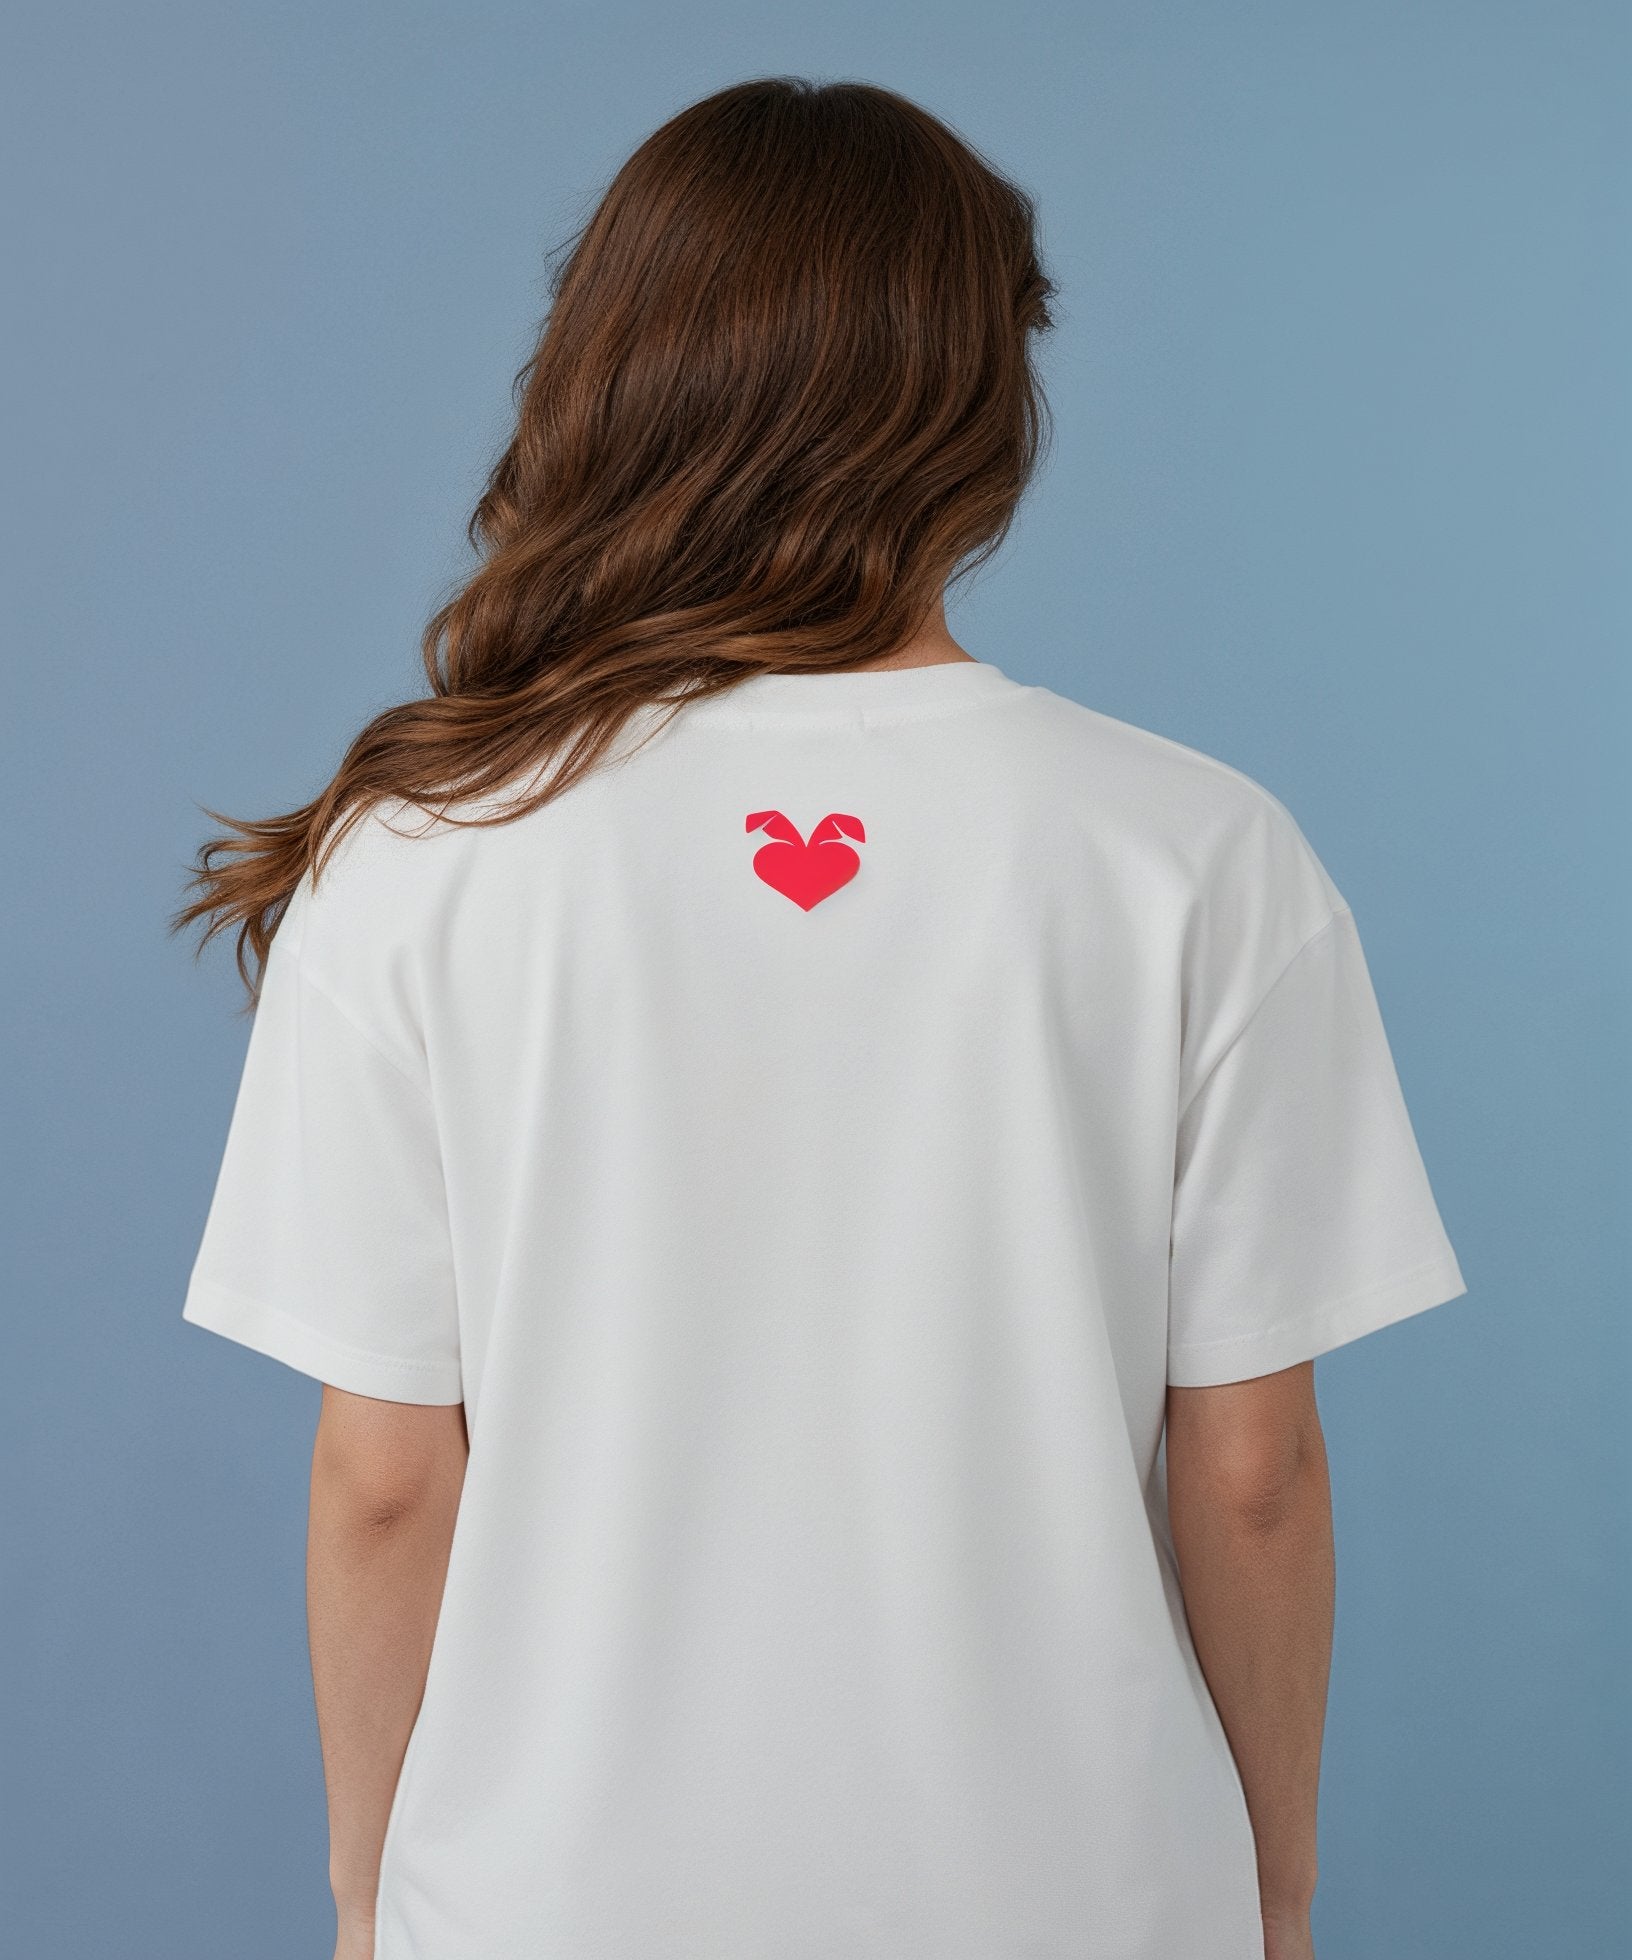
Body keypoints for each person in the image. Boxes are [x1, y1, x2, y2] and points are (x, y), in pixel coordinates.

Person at [173, 76, 1468, 1960]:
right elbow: (1253, 1468)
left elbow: (384, 1478)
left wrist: (370, 1899)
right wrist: (1272, 1888)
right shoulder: (1195, 851)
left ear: (614, 376)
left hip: (551, 1903)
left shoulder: (422, 858)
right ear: (986, 411)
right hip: (1084, 1893)